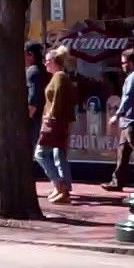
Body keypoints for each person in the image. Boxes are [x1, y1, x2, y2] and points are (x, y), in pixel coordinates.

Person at [36, 45, 76, 204]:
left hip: (54, 123)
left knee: (40, 153)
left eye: (46, 61)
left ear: (54, 61)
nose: (45, 64)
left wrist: (51, 116)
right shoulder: (59, 77)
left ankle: (59, 185)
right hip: (57, 122)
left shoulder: (59, 77)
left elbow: (58, 99)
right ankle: (62, 189)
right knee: (57, 153)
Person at [102, 47, 134, 192]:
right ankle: (117, 181)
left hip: (131, 120)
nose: (122, 66)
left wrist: (116, 115)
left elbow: (128, 97)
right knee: (122, 152)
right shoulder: (133, 76)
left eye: (124, 63)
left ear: (131, 62)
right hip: (127, 120)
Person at [25, 41, 47, 154]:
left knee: (35, 151)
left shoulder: (32, 72)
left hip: (35, 119)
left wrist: (26, 119)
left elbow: (33, 98)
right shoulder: (44, 70)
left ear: (30, 55)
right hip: (44, 116)